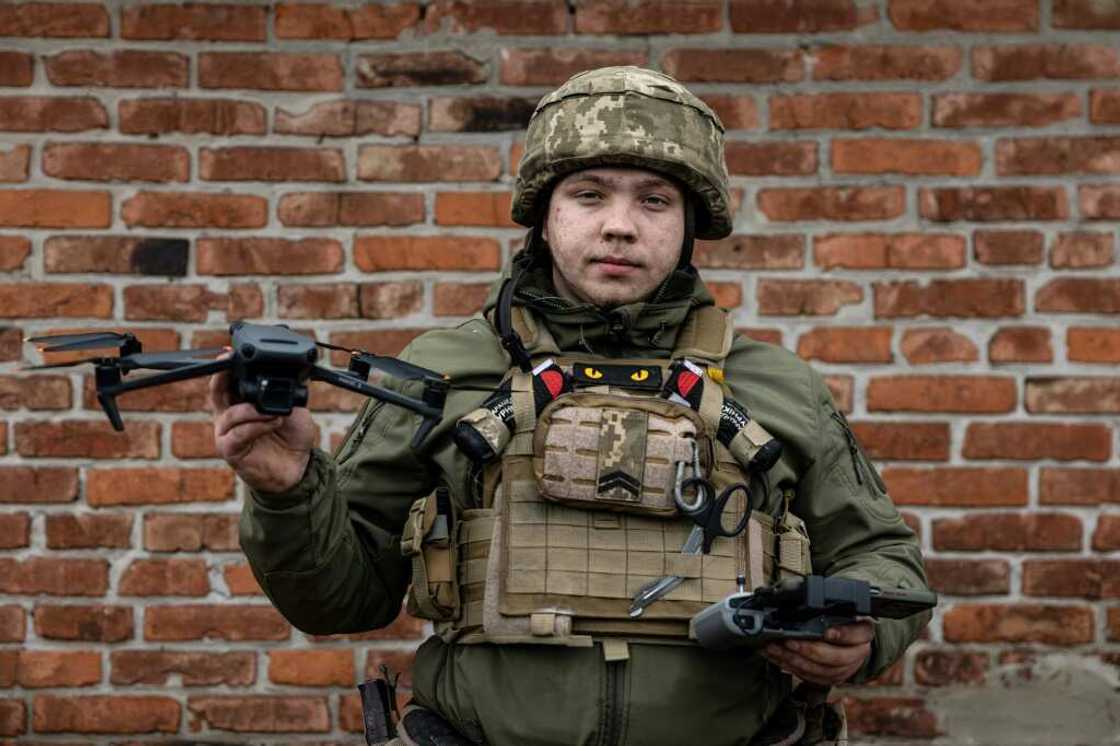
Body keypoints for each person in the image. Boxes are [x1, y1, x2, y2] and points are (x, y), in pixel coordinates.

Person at [211, 67, 930, 746]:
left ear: (688, 224)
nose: (621, 225)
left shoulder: (776, 385)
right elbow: (343, 600)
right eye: (590, 194)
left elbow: (886, 561)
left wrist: (861, 640)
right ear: (545, 213)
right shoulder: (443, 369)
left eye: (654, 199)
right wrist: (288, 490)